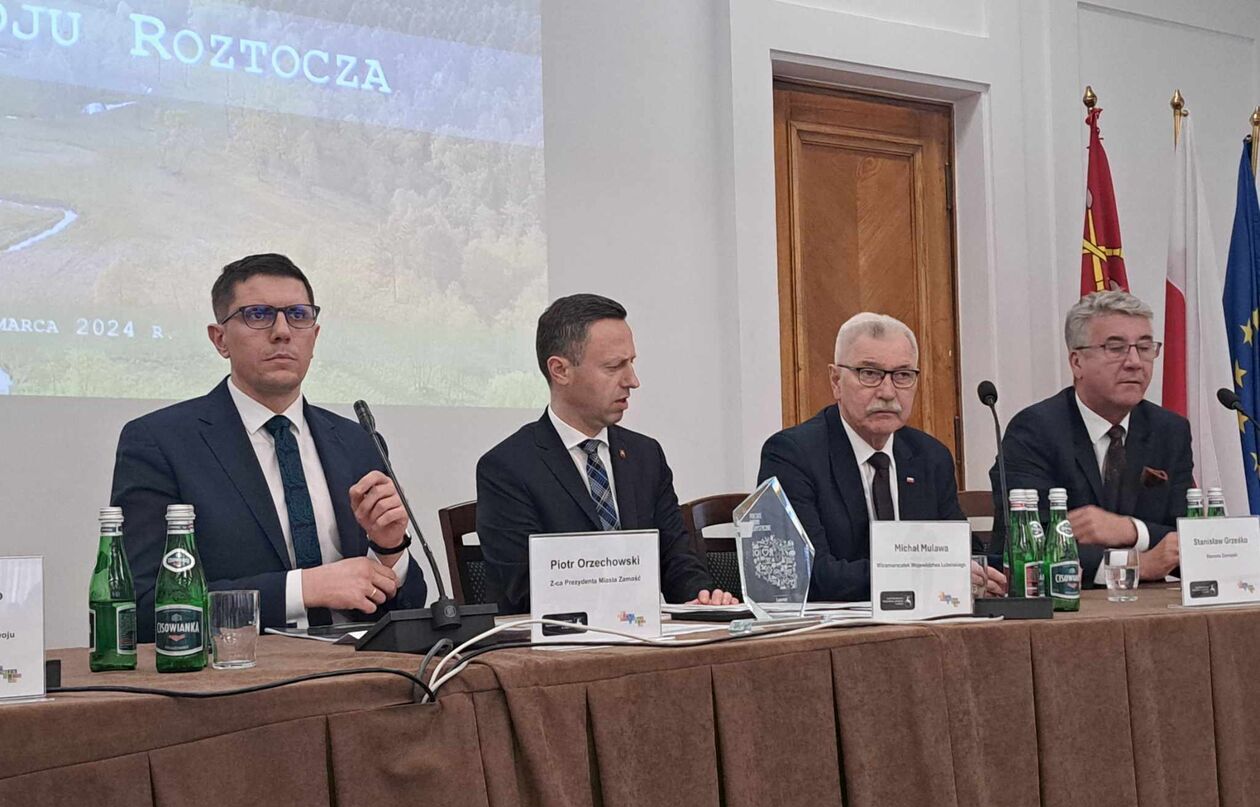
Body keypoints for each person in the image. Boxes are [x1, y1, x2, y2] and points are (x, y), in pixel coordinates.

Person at [111, 253, 427, 641]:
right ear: (220, 339)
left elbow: (409, 609)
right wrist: (302, 590)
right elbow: (141, 609)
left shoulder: (357, 441)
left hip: (360, 667)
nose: (282, 331)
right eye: (258, 315)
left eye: (298, 315)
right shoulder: (161, 443)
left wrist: (389, 550)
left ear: (315, 336)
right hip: (242, 671)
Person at [476, 293, 737, 614]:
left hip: (642, 636)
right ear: (560, 370)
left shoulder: (646, 456)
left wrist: (703, 597)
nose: (632, 381)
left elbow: (676, 558)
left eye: (631, 363)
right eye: (614, 367)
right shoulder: (507, 468)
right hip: (562, 640)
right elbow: (525, 589)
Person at [758, 312, 1005, 601]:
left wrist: (986, 574)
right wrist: (923, 574)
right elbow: (806, 573)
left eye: (903, 375)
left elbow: (961, 552)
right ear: (836, 381)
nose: (888, 392)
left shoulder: (930, 457)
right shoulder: (793, 454)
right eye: (870, 374)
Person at [990, 290, 1193, 584]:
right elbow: (1029, 541)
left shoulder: (1170, 430)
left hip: (1150, 604)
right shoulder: (1034, 430)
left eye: (1145, 347)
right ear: (1077, 362)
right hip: (1064, 603)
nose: (1135, 362)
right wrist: (1134, 565)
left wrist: (1131, 530)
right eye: (1116, 348)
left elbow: (1191, 539)